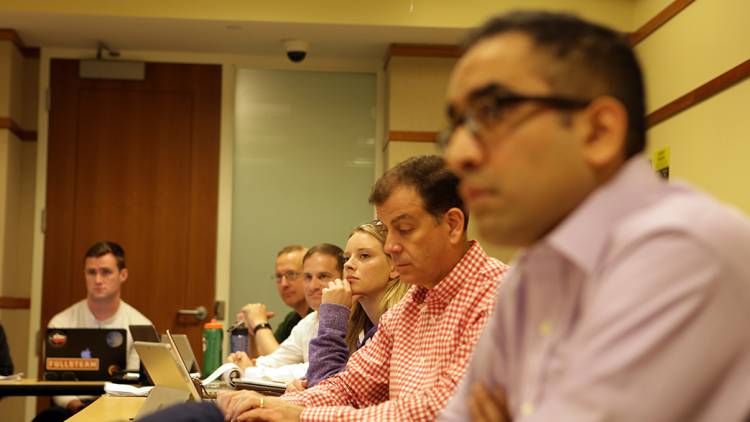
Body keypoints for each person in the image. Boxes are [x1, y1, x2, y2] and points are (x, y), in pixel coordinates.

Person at [439, 11, 750, 421]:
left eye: (493, 112)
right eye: (457, 125)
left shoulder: (683, 249)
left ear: (599, 132)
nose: (457, 155)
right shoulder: (530, 272)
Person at [218, 155, 508, 421]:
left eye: (404, 229)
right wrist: (268, 405)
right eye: (387, 230)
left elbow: (442, 408)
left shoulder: (497, 296)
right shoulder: (411, 306)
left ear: (453, 225)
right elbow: (351, 385)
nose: (391, 246)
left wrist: (300, 415)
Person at [36, 241, 152, 421]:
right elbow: (56, 383)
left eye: (106, 272)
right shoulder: (60, 323)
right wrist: (77, 407)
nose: (98, 280)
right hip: (71, 409)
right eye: (91, 272)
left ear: (123, 274)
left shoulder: (141, 326)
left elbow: (135, 385)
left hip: (120, 410)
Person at [294, 220, 410, 389]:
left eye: (364, 256)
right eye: (347, 258)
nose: (348, 265)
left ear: (394, 267)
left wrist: (332, 316)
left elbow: (327, 390)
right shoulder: (362, 325)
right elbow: (321, 382)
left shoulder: (400, 324)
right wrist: (302, 385)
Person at [227, 244, 344, 381]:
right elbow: (279, 359)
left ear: (344, 278)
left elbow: (317, 371)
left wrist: (260, 325)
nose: (313, 286)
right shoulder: (307, 321)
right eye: (307, 277)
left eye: (323, 276)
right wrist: (245, 363)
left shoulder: (347, 320)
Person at [238, 245, 311, 357]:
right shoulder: (292, 319)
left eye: (291, 274)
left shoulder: (319, 315)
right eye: (279, 277)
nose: (284, 284)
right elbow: (263, 361)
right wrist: (251, 332)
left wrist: (260, 324)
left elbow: (277, 363)